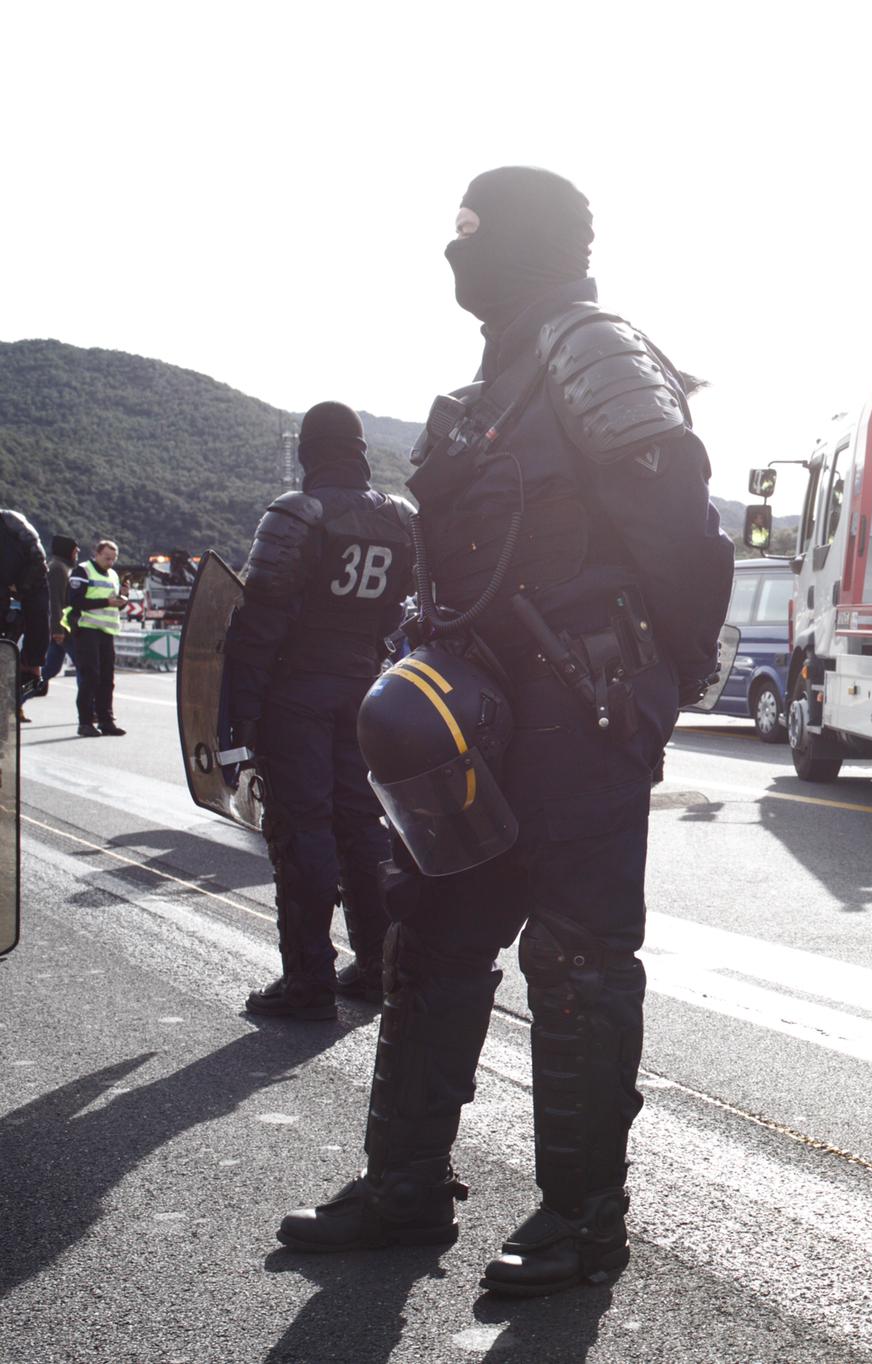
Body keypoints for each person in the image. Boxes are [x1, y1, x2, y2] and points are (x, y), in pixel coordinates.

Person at [278, 167, 734, 1297]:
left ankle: (582, 1220)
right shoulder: (489, 385)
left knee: (575, 957)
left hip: (580, 706)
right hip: (474, 715)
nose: (452, 253)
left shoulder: (594, 351)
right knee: (428, 936)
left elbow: (685, 543)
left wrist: (650, 692)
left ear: (525, 240)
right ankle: (405, 1187)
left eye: (471, 232)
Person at [223, 403, 414, 1021]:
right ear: (357, 448)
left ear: (309, 451)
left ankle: (307, 979)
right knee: (362, 827)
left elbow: (257, 621)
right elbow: (399, 614)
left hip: (298, 692)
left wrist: (240, 715)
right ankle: (377, 965)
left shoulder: (296, 513)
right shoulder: (399, 519)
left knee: (301, 828)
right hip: (364, 689)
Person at [67, 539, 126, 737]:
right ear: (97, 554)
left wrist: (122, 600)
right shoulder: (83, 571)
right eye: (107, 558)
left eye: (113, 559)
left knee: (107, 679)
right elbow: (75, 600)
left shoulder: (113, 575)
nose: (110, 562)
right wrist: (107, 601)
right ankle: (85, 722)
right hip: (87, 629)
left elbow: (114, 603)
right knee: (90, 676)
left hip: (107, 632)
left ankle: (106, 720)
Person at [2, 511, 50, 716]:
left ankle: (17, 700)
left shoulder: (13, 523)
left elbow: (38, 559)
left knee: (33, 652)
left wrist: (19, 587)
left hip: (26, 588)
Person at [39, 535, 80, 703]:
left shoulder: (62, 566)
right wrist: (57, 629)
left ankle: (15, 699)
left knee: (50, 669)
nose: (77, 553)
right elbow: (55, 600)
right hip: (63, 628)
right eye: (74, 550)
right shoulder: (57, 568)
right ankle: (91, 710)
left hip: (62, 627)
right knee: (84, 666)